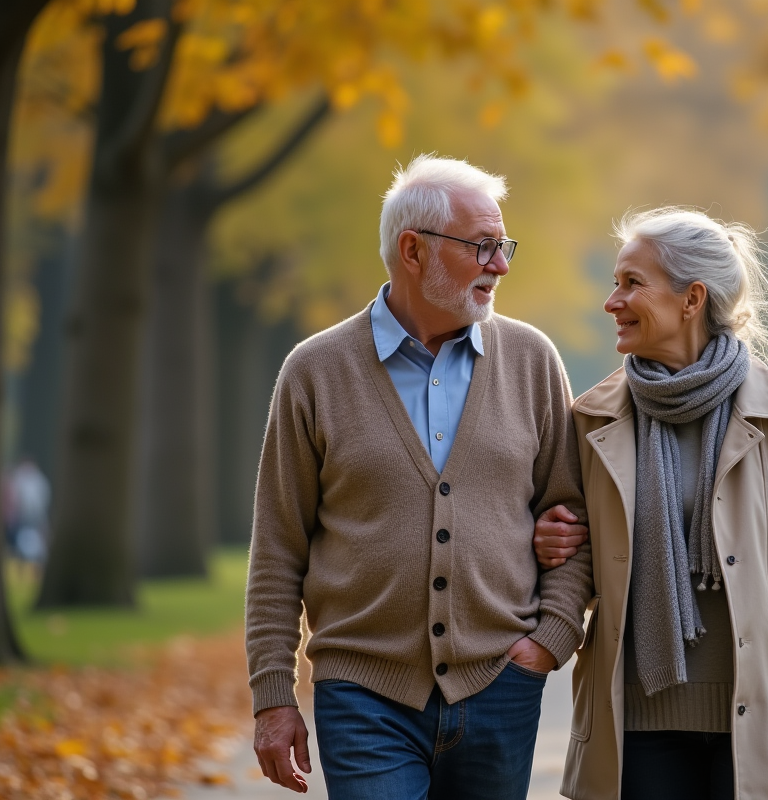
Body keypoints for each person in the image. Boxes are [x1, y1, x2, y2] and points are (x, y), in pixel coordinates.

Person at [245, 154, 594, 799]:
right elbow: (277, 548)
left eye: (503, 245)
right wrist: (273, 696)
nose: (501, 265)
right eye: (483, 246)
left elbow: (572, 514)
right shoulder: (314, 372)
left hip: (501, 688)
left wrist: (550, 639)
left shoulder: (532, 361)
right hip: (362, 694)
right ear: (413, 249)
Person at [534, 208, 768, 800]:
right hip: (635, 724)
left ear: (692, 299)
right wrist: (549, 544)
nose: (612, 301)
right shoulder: (590, 420)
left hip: (763, 720)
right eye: (616, 282)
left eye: (632, 283)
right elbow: (579, 563)